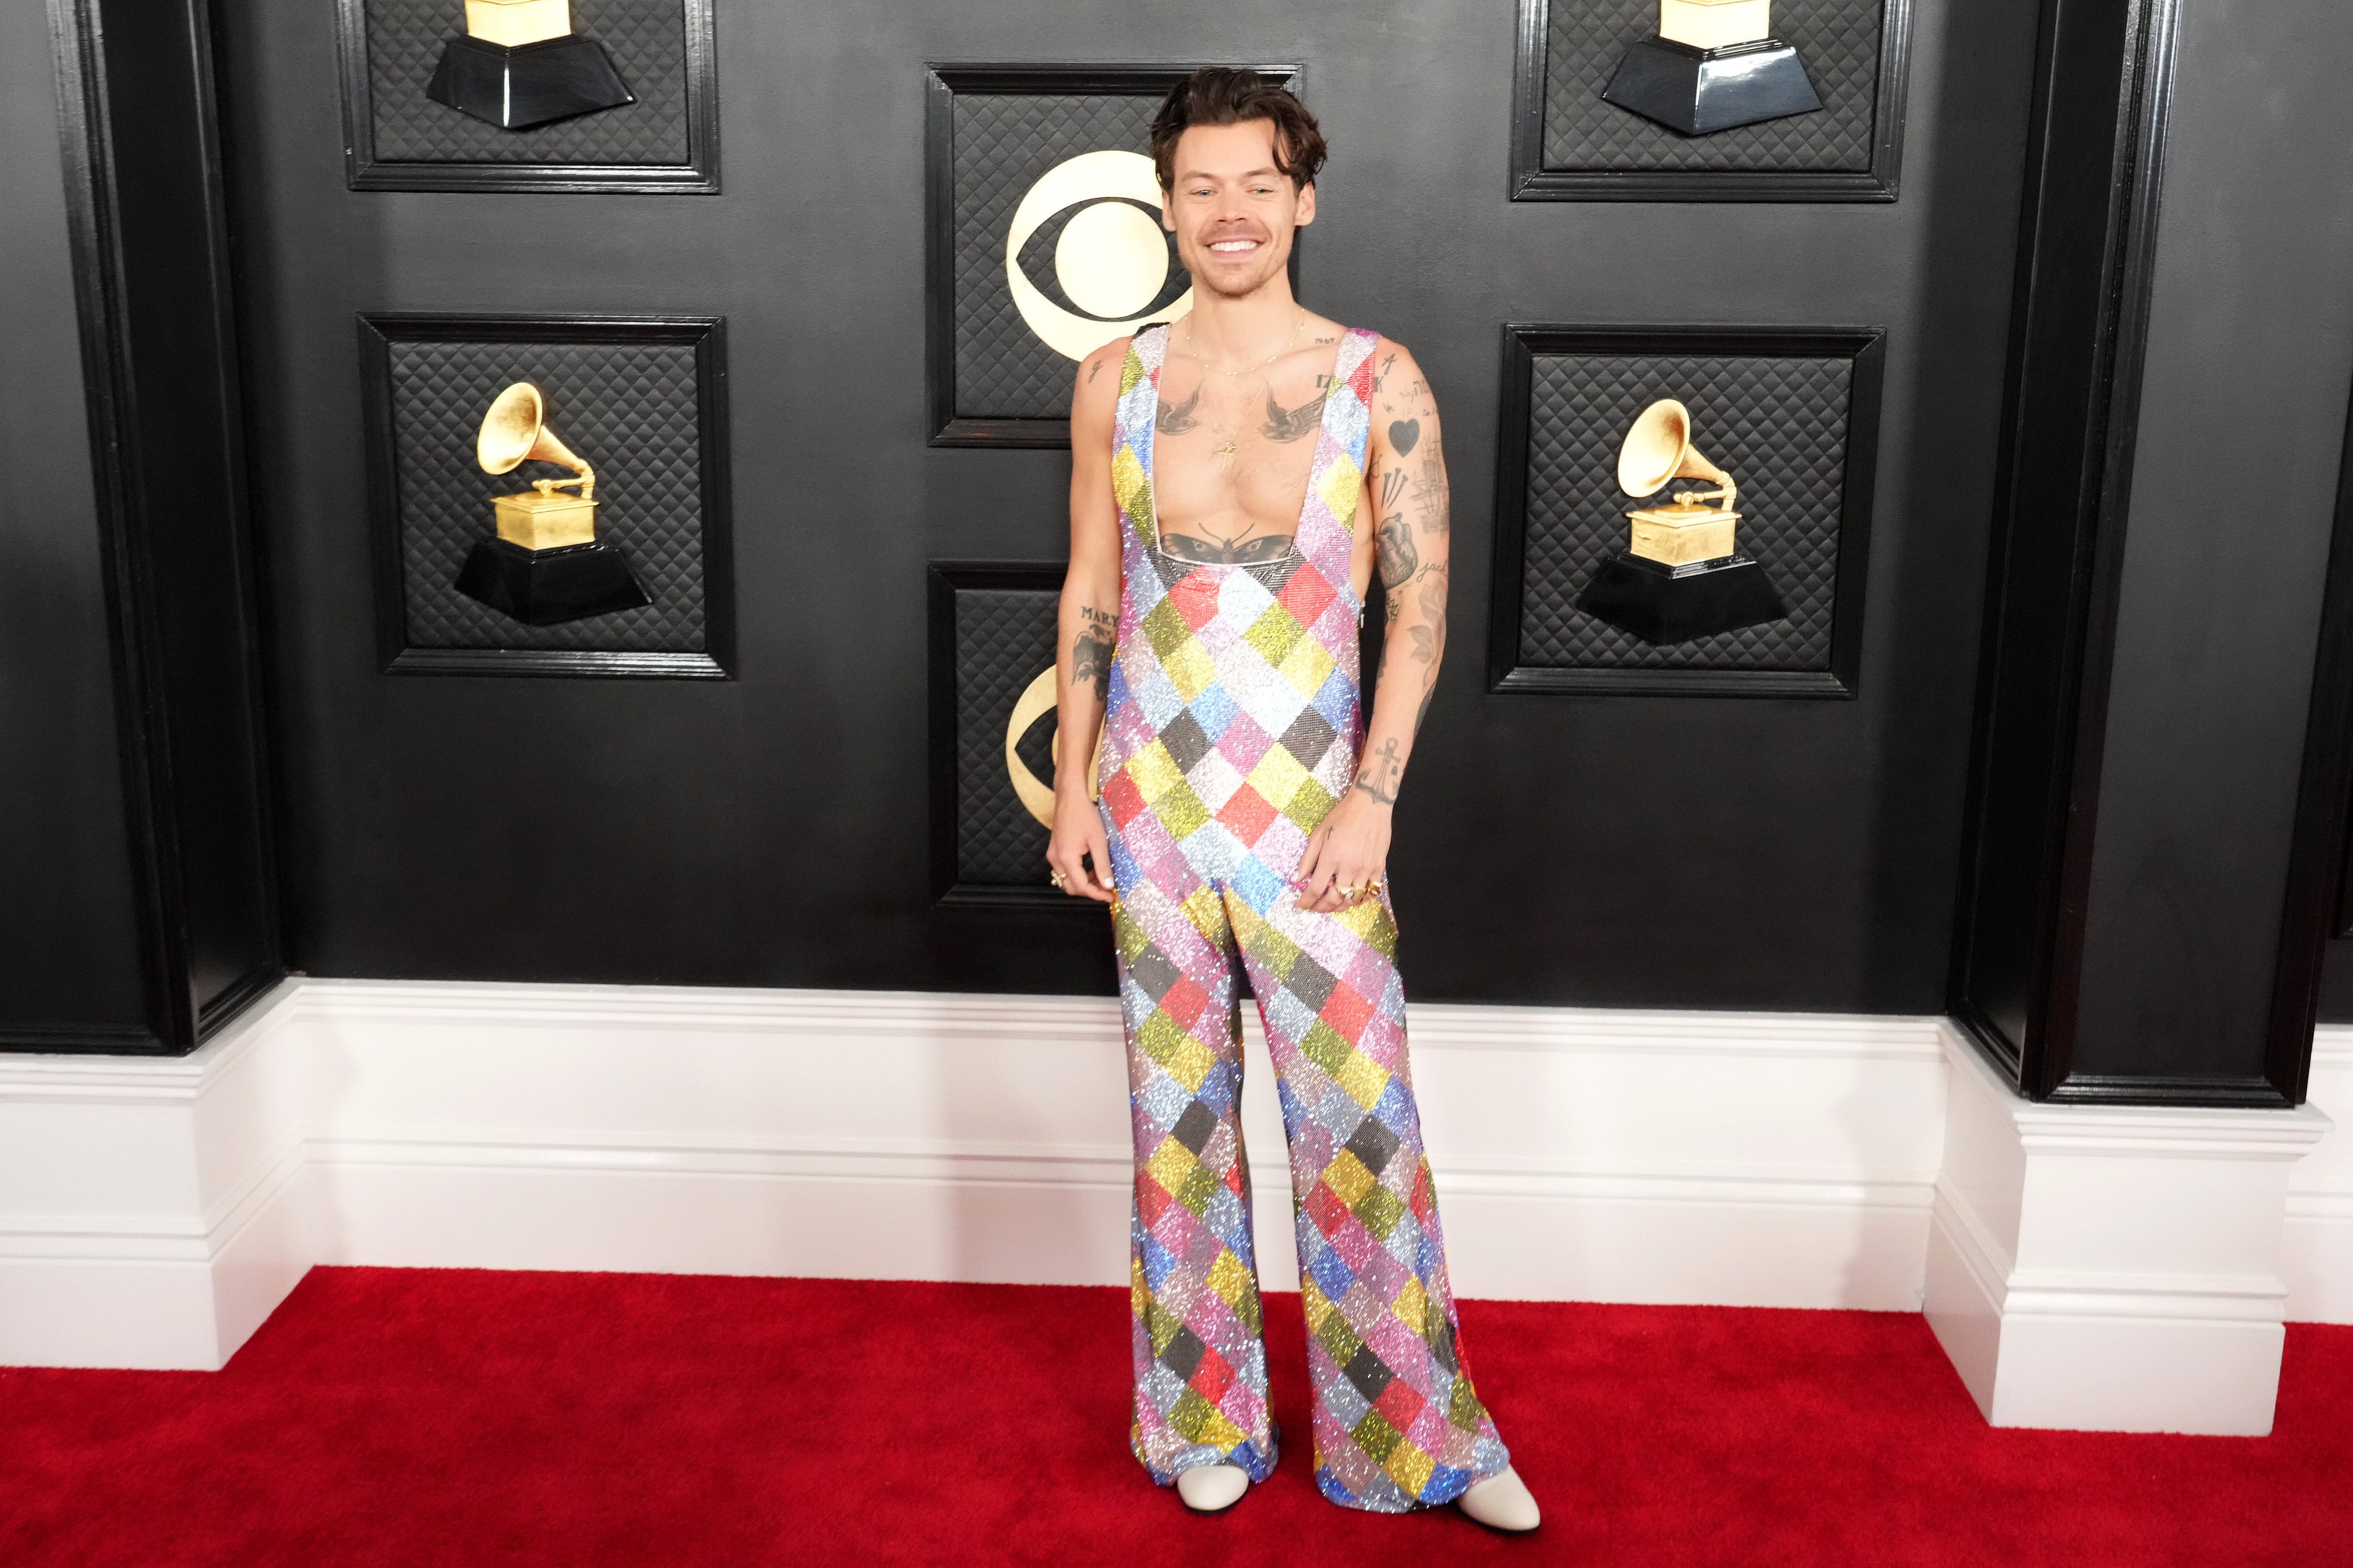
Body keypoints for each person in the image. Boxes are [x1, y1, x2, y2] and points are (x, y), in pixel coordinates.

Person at [1045, 69, 1540, 1532]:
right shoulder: (1117, 383)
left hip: (1316, 814)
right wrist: (1071, 791)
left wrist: (1373, 798)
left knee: (1361, 1123)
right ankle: (1202, 1415)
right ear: (1169, 207)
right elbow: (1089, 591)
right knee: (1175, 1127)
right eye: (1201, 187)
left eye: (1259, 184)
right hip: (1146, 803)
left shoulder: (1375, 381)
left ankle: (1422, 1439)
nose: (1231, 212)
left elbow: (1424, 608)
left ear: (1303, 198)